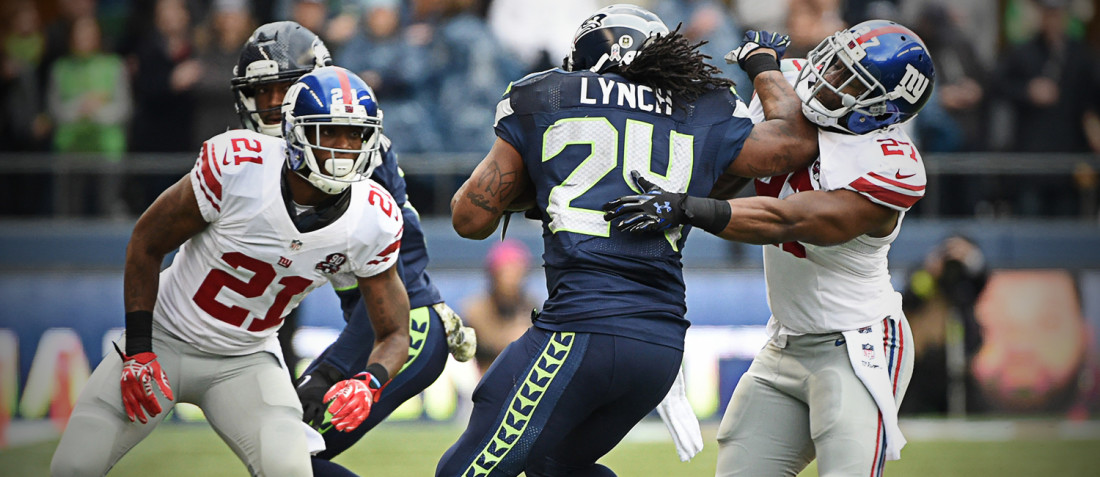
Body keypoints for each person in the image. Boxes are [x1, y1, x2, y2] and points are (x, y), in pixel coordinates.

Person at [441, 4, 819, 475]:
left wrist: (540, 185)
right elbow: (795, 143)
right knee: (554, 466)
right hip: (660, 346)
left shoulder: (548, 95)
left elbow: (469, 219)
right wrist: (764, 66)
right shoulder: (703, 106)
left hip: (582, 328)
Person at [604, 19, 935, 477]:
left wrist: (686, 207)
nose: (828, 78)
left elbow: (788, 219)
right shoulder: (791, 85)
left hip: (859, 347)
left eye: (848, 80)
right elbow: (724, 176)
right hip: (785, 344)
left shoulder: (887, 164)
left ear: (879, 110)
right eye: (835, 62)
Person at [50, 65, 410, 477]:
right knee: (73, 467)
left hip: (246, 358)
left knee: (290, 471)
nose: (343, 146)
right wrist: (138, 350)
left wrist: (370, 382)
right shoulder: (239, 166)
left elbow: (395, 331)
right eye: (328, 131)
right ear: (294, 131)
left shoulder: (373, 216)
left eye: (355, 134)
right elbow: (146, 243)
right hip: (164, 339)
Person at [230, 21, 476, 477]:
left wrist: (331, 370)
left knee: (289, 459)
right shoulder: (283, 159)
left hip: (402, 324)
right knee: (281, 461)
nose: (273, 106)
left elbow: (390, 277)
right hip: (375, 319)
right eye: (263, 93)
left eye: (283, 91)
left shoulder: (341, 151)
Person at [461, 239, 536, 374]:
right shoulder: (476, 309)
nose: (511, 279)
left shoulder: (531, 307)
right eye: (505, 272)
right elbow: (485, 344)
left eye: (516, 272)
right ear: (493, 274)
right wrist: (512, 338)